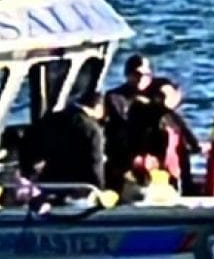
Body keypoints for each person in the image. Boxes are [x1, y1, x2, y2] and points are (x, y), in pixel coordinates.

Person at [126, 78, 203, 196]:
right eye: (163, 95)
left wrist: (196, 146)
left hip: (170, 166)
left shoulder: (171, 116)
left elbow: (191, 140)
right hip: (160, 167)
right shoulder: (154, 116)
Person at [19, 91, 107, 191]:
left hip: (49, 181)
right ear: (98, 107)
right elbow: (95, 161)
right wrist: (100, 188)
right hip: (78, 185)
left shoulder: (50, 119)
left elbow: (26, 144)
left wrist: (28, 173)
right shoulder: (91, 128)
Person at [104, 53, 153, 192]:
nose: (141, 79)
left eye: (146, 75)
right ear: (128, 74)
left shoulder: (154, 96)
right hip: (123, 155)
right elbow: (121, 121)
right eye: (137, 74)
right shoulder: (115, 96)